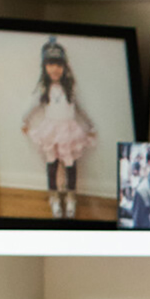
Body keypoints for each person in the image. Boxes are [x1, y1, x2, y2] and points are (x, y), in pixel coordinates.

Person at [22, 37, 95, 220]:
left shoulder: (70, 89)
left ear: (65, 67)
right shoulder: (43, 90)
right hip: (51, 132)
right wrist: (25, 121)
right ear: (44, 67)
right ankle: (54, 198)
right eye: (50, 64)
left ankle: (71, 197)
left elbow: (79, 108)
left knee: (71, 166)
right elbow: (33, 106)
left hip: (70, 132)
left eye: (59, 65)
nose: (55, 69)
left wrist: (90, 125)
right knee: (52, 165)